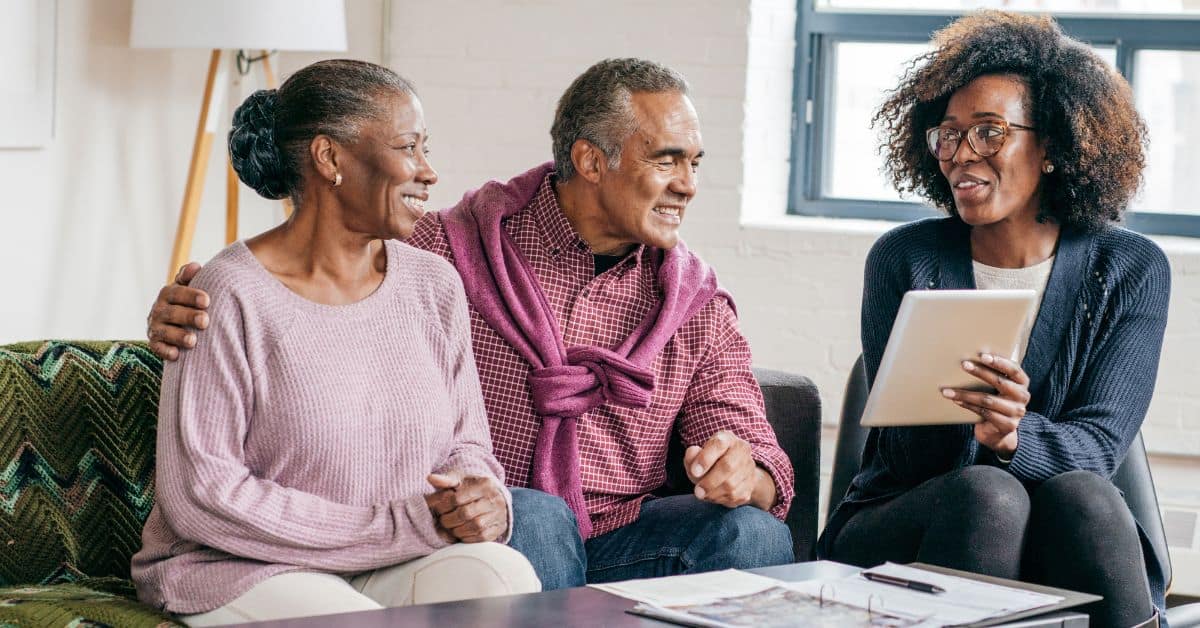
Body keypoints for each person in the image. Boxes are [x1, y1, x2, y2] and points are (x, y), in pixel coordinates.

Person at [146, 58, 796, 590]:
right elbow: (321, 271)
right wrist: (200, 296)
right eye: (667, 160)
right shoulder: (449, 250)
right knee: (536, 516)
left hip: (627, 537)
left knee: (755, 531)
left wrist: (747, 471)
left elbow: (747, 437)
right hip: (499, 529)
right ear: (592, 162)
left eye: (695, 164)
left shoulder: (696, 304)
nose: (688, 185)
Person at [131, 59, 539, 625]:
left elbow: (467, 446)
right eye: (408, 147)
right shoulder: (227, 294)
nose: (428, 171)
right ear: (330, 158)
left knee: (507, 579)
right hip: (241, 566)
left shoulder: (434, 285)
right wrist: (401, 525)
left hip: (392, 558)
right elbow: (204, 495)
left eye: (427, 148)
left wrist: (480, 496)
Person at [817, 11, 1168, 628]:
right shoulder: (906, 258)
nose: (961, 154)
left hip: (1068, 529)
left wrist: (1014, 438)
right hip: (911, 517)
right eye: (948, 135)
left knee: (1083, 492)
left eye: (989, 132)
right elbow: (905, 459)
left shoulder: (1129, 267)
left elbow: (1101, 448)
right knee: (990, 493)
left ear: (1054, 145)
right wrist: (981, 438)